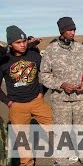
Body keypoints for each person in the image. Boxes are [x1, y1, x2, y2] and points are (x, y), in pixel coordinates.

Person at [40, 17, 83, 165]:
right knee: (61, 131)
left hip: (81, 98)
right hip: (61, 100)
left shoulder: (79, 48)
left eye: (74, 29)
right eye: (69, 30)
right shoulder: (51, 50)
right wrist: (61, 84)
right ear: (62, 31)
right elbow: (44, 75)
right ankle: (62, 160)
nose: (73, 32)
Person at [0, 25, 53, 166]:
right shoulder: (4, 61)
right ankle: (27, 163)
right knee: (23, 140)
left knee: (54, 127)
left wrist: (42, 92)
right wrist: (8, 102)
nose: (22, 45)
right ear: (11, 44)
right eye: (18, 42)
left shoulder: (34, 56)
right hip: (17, 105)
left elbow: (47, 75)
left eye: (24, 41)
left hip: (37, 101)